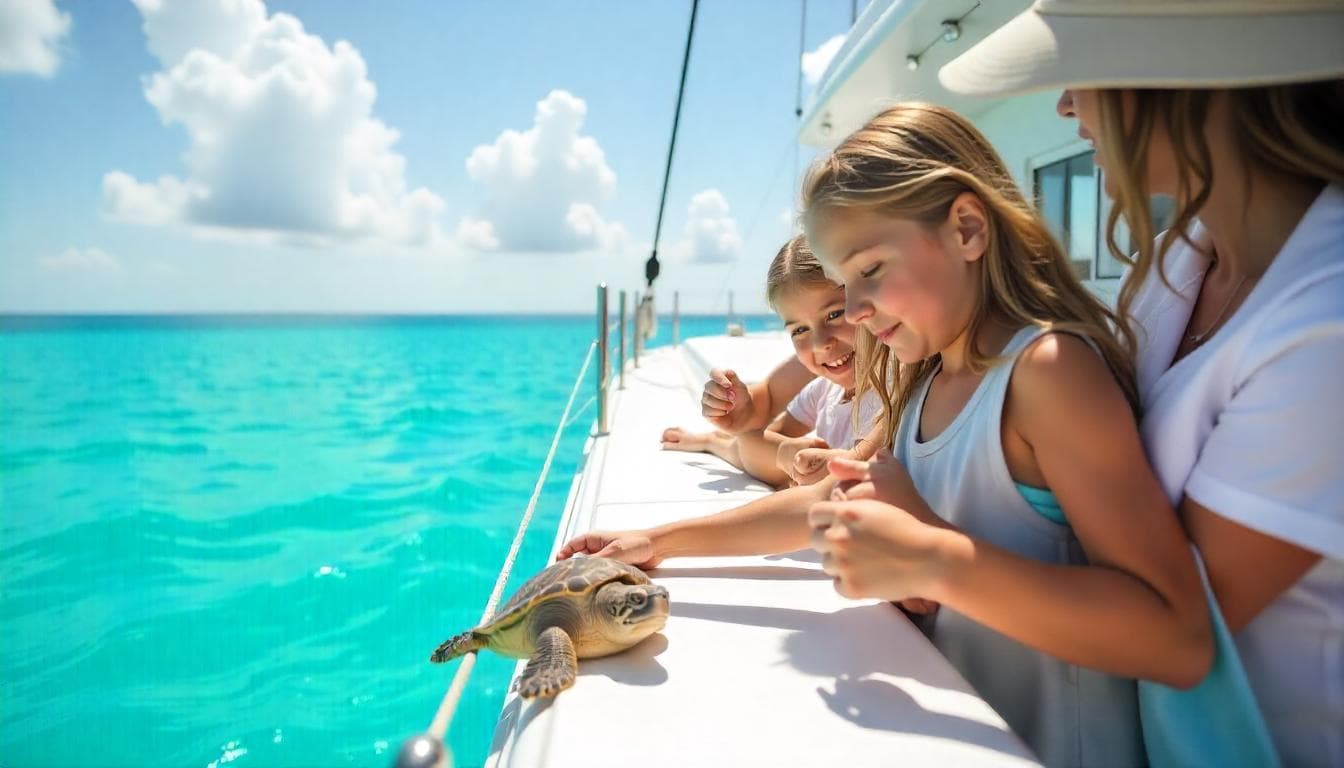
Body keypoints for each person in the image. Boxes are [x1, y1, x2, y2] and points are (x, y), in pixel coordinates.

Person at [561, 102, 1213, 767]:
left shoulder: (1047, 372)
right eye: (844, 283)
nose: (855, 310)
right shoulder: (925, 378)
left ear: (966, 229)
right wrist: (659, 542)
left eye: (869, 271)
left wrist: (932, 559)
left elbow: (1175, 638)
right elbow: (820, 502)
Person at [928, 3, 1344, 765]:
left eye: (1082, 72)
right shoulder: (1181, 259)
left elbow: (1174, 626)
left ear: (1182, 79)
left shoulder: (1327, 326)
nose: (1064, 105)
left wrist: (928, 554)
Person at [661, 237, 880, 488]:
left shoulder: (897, 380)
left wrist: (783, 454)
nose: (820, 343)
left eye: (834, 314)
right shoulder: (824, 387)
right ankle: (714, 441)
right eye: (799, 330)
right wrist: (735, 409)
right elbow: (761, 424)